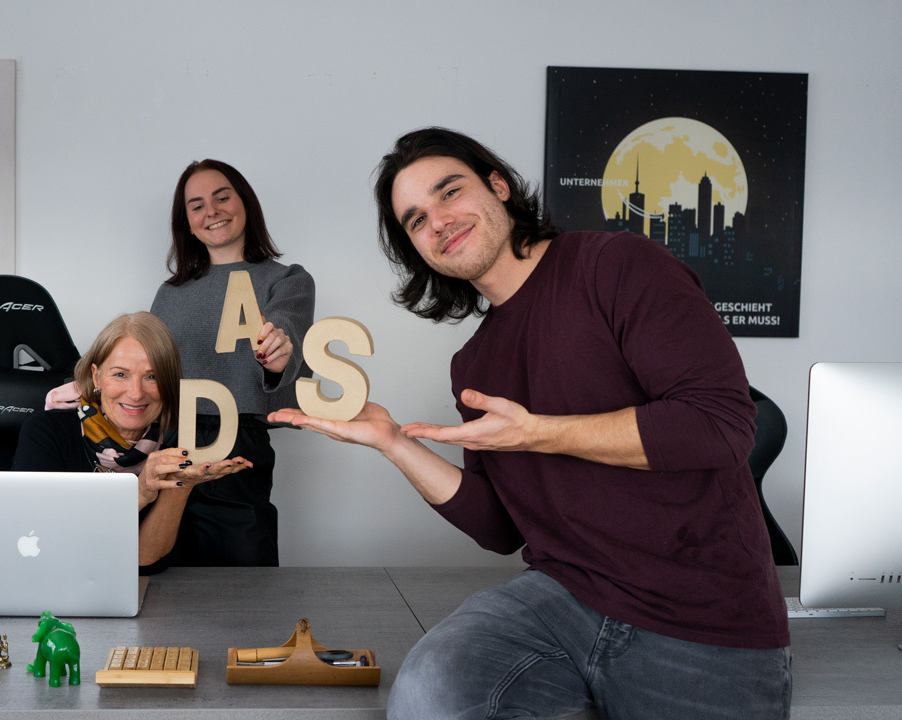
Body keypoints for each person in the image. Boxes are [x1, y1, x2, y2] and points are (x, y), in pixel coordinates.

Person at [269, 128, 791, 719]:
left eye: (449, 192)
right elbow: (501, 527)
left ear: (499, 187)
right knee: (426, 696)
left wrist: (539, 431)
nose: (438, 221)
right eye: (415, 220)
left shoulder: (618, 266)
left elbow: (718, 425)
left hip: (701, 617)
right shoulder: (474, 362)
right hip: (561, 599)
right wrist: (392, 442)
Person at [150, 159, 316, 567]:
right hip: (170, 443)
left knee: (244, 585)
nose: (212, 211)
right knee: (166, 577)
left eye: (222, 197)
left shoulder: (287, 279)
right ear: (187, 222)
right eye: (197, 205)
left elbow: (288, 334)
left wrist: (278, 353)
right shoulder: (170, 293)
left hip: (237, 444)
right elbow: (148, 364)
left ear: (245, 203)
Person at [13, 312, 250, 573]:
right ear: (96, 376)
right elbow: (45, 548)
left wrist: (180, 485)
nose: (136, 393)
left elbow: (145, 566)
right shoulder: (46, 432)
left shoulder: (179, 441)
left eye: (152, 376)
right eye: (120, 375)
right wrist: (138, 493)